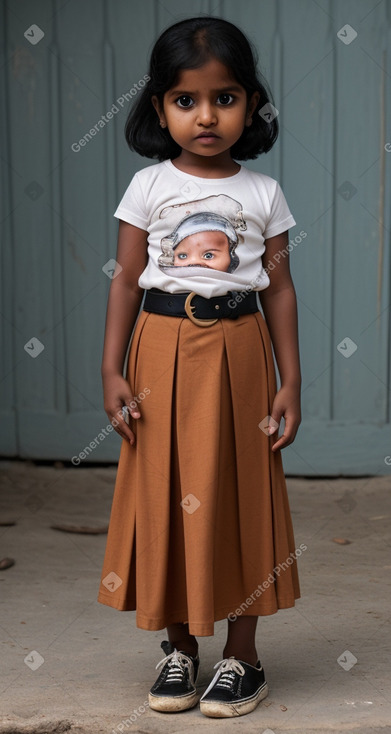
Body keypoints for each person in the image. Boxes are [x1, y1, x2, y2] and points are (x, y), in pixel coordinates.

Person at [98, 15, 302, 719]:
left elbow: (277, 287)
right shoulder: (147, 186)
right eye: (185, 100)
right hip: (157, 348)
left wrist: (290, 381)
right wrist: (112, 371)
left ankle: (241, 657)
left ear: (250, 105)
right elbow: (125, 280)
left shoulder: (263, 192)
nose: (205, 115)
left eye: (224, 97)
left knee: (240, 491)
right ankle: (180, 647)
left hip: (240, 352)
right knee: (165, 490)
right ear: (159, 107)